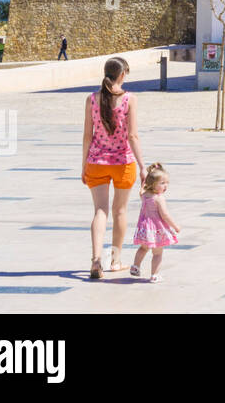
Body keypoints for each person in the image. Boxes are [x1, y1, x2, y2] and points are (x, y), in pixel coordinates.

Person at [81, 56, 144, 279]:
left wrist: (83, 166)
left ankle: (96, 259)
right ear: (122, 74)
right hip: (123, 163)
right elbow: (133, 135)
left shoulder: (92, 99)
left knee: (100, 211)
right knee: (120, 212)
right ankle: (115, 260)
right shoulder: (129, 99)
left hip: (96, 162)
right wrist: (143, 167)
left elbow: (87, 136)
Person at [130, 163, 180, 282]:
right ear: (153, 184)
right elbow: (165, 215)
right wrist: (175, 226)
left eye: (167, 182)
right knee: (157, 253)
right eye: (162, 183)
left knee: (143, 248)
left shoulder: (144, 195)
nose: (166, 185)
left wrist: (145, 181)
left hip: (145, 228)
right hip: (156, 229)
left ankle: (136, 266)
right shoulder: (159, 198)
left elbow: (141, 189)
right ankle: (154, 275)